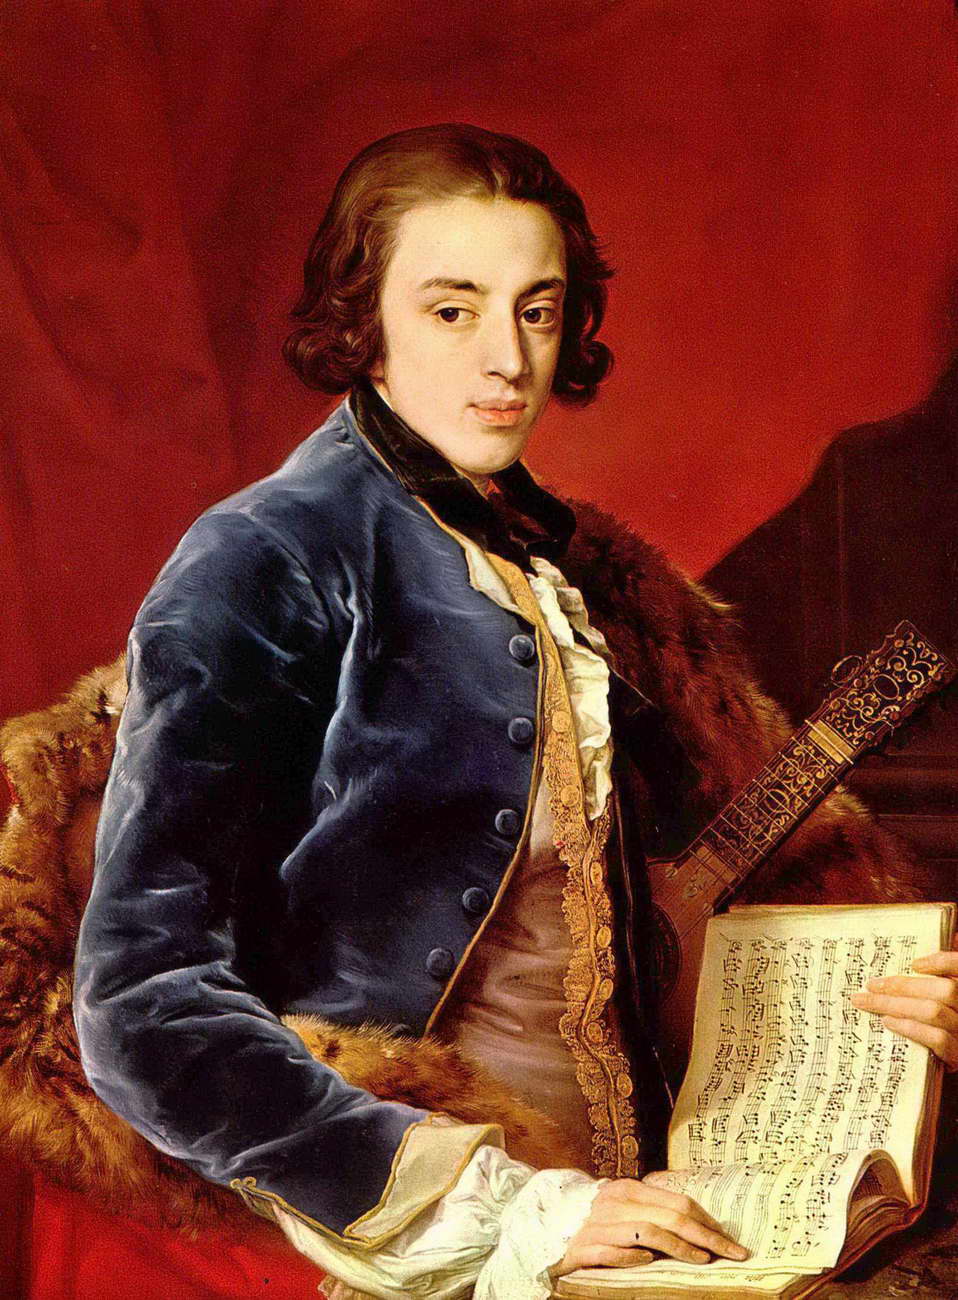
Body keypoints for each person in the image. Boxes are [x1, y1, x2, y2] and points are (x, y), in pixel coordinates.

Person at [72, 124, 958, 1300]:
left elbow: (656, 922)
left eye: (536, 310)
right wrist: (512, 1210)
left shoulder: (577, 571)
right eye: (452, 309)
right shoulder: (265, 557)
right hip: (441, 1239)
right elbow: (141, 1002)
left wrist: (881, 999)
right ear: (363, 319)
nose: (507, 359)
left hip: (661, 1210)